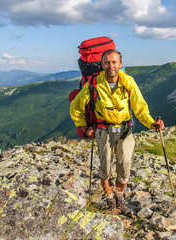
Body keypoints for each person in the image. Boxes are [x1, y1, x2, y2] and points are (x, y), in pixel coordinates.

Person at [70, 49, 164, 215]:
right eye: (107, 62)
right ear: (102, 65)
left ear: (121, 64)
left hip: (125, 130)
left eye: (114, 62)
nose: (111, 66)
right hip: (103, 130)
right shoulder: (93, 84)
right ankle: (109, 199)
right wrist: (85, 127)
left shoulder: (128, 82)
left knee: (124, 166)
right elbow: (76, 107)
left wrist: (151, 123)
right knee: (105, 167)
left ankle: (119, 198)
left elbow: (140, 108)